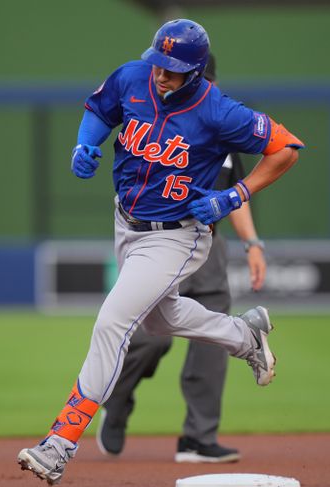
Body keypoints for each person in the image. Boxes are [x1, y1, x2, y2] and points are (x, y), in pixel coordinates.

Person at [17, 19, 303, 486]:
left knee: (113, 322)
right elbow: (100, 109)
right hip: (126, 221)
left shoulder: (219, 111)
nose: (160, 74)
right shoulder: (133, 76)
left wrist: (235, 196)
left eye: (172, 69)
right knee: (157, 319)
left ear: (195, 72)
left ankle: (60, 442)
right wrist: (85, 144)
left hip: (177, 234)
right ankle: (244, 337)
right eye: (159, 63)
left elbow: (287, 148)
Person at [95, 53, 267, 464]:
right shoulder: (156, 120)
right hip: (159, 244)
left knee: (212, 342)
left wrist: (253, 243)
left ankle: (198, 436)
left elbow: (236, 189)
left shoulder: (219, 122)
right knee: (148, 340)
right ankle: (116, 401)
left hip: (207, 245)